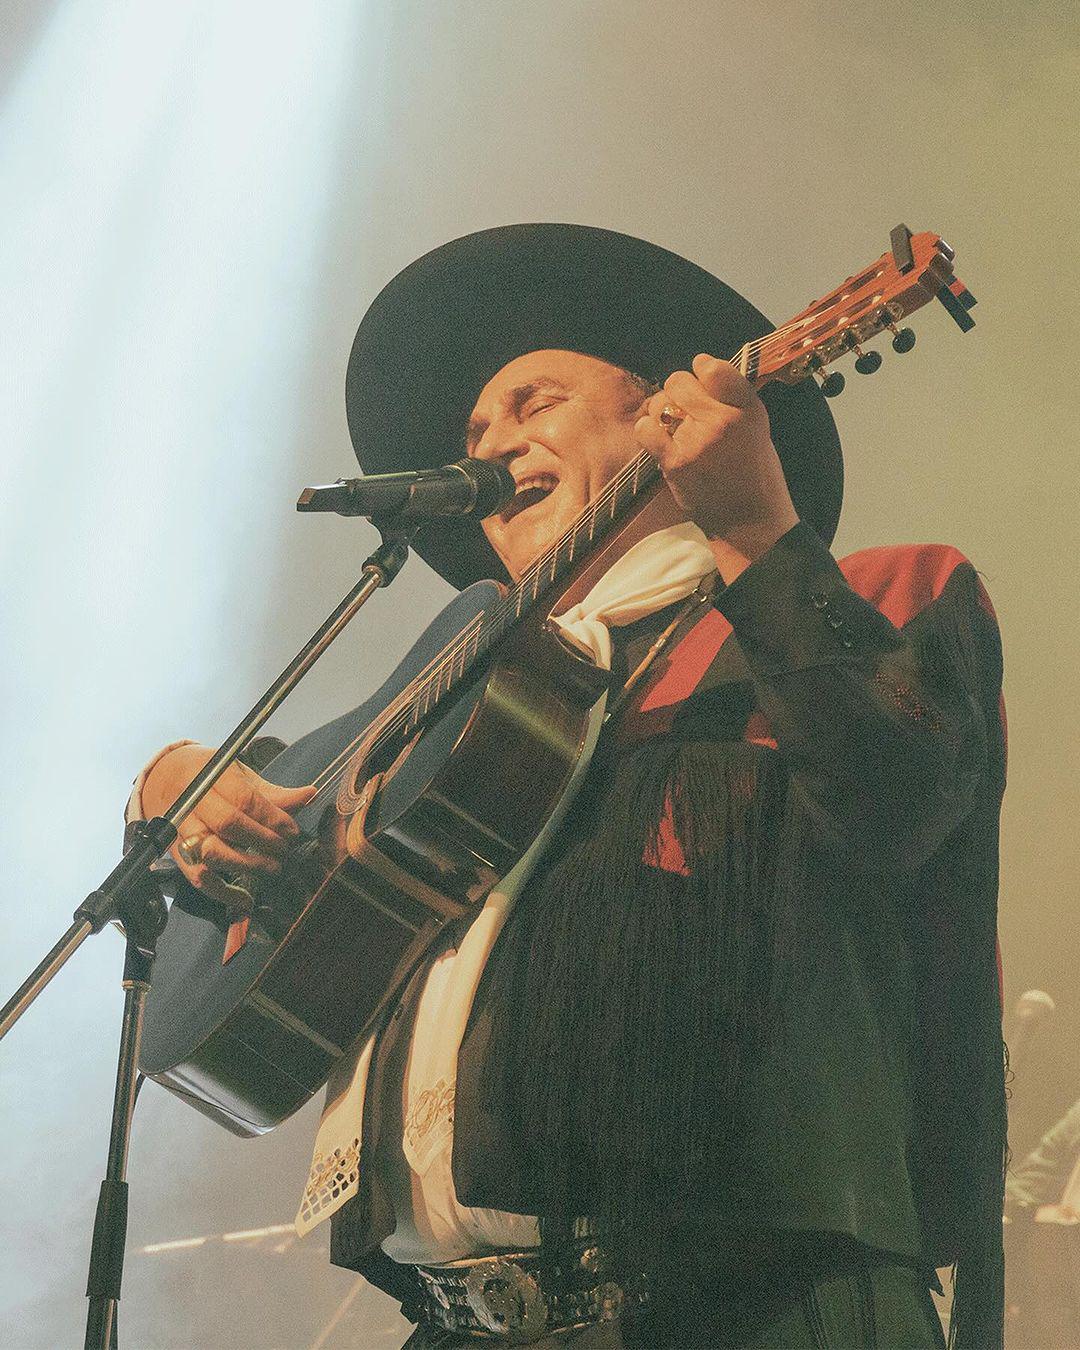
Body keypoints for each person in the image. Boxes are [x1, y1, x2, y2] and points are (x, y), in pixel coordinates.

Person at [133, 225, 1007, 1347]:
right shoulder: (458, 700)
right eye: (475, 433)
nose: (494, 443)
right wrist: (175, 793)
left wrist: (752, 527)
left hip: (750, 1312)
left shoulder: (886, 595)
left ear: (662, 420)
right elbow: (277, 789)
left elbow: (900, 806)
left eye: (533, 402)